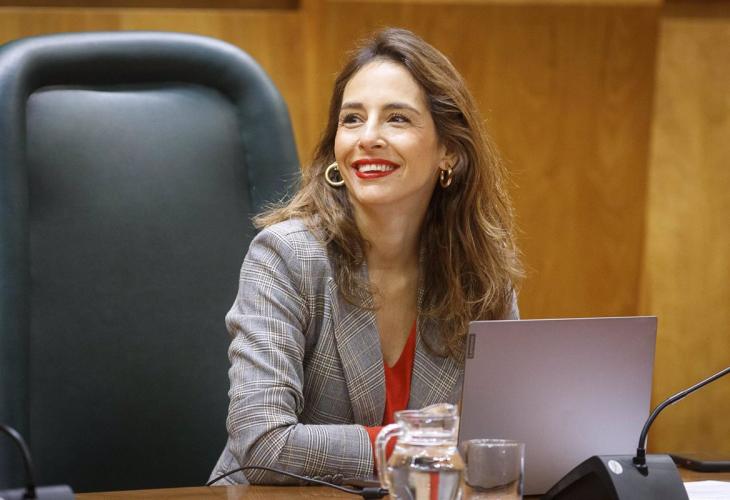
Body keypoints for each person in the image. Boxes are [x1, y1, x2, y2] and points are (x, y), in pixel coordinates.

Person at [209, 27, 522, 485]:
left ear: (449, 151)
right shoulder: (287, 257)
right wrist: (413, 448)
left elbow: (500, 441)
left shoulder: (479, 276)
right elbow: (262, 443)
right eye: (352, 119)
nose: (368, 137)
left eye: (397, 119)